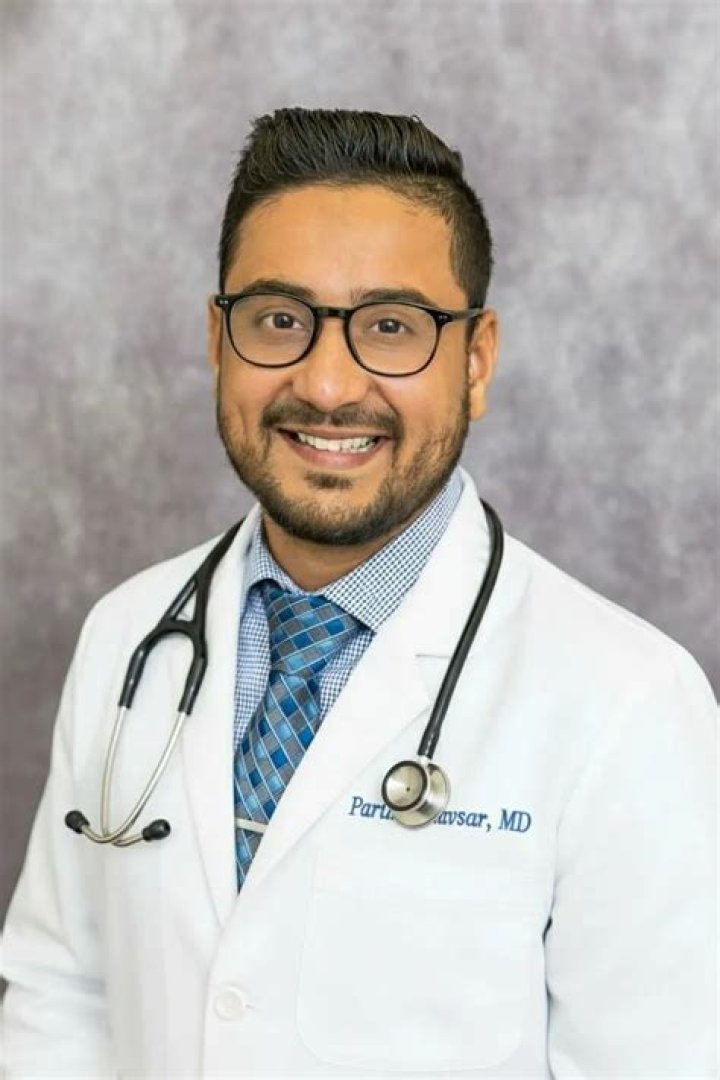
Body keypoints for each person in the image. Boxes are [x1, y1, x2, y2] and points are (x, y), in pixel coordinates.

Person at [1, 107, 716, 1079]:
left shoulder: (628, 702)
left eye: (390, 327)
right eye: (279, 320)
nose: (330, 385)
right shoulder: (128, 635)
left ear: (476, 361)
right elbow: (57, 1001)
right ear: (218, 340)